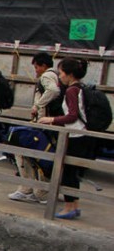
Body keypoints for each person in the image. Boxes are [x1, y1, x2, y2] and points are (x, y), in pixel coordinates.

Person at [38, 58, 95, 219]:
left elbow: (72, 115)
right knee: (71, 172)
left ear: (69, 74)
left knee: (68, 173)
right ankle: (74, 206)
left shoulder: (71, 90)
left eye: (61, 72)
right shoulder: (80, 88)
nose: (60, 76)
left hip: (76, 136)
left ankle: (69, 207)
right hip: (81, 135)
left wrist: (52, 120)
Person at [8, 53, 62, 203]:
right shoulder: (58, 76)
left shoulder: (46, 76)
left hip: (44, 124)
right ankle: (37, 190)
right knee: (43, 156)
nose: (36, 70)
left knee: (28, 154)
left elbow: (53, 91)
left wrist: (38, 105)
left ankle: (31, 190)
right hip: (53, 125)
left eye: (37, 67)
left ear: (44, 66)